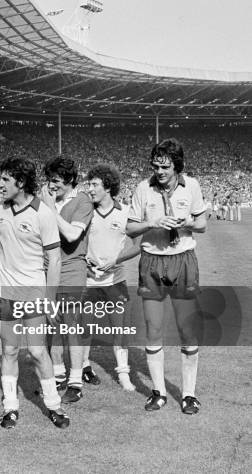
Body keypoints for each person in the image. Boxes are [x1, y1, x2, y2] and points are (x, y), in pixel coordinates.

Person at [0, 157, 69, 429]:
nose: (0, 184)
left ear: (21, 183)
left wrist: (51, 300)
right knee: (9, 350)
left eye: (6, 179)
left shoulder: (42, 213)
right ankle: (10, 407)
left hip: (33, 294)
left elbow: (54, 259)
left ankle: (54, 405)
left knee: (36, 352)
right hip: (3, 291)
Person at [126, 138, 206, 415]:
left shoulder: (192, 186)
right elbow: (130, 228)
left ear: (177, 166)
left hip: (183, 262)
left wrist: (188, 223)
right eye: (156, 165)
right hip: (152, 263)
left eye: (165, 166)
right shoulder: (142, 188)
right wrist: (152, 223)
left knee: (187, 330)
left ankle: (188, 394)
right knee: (153, 329)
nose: (159, 171)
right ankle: (158, 392)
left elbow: (203, 224)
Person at [40, 157, 94, 404]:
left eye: (57, 182)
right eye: (50, 181)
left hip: (72, 268)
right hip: (46, 268)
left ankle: (75, 381)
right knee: (50, 324)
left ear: (70, 180)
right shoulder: (47, 200)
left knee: (70, 326)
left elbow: (73, 234)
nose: (52, 186)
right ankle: (57, 374)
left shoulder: (82, 200)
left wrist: (50, 209)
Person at [85, 164, 140, 392]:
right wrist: (83, 263)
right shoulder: (85, 211)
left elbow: (138, 245)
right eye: (89, 184)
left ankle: (123, 373)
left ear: (107, 186)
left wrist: (116, 260)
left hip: (115, 281)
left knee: (120, 329)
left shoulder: (125, 212)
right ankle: (85, 367)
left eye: (94, 184)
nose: (90, 188)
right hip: (88, 281)